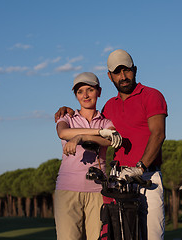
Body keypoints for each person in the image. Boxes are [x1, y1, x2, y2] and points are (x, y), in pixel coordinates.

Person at [55, 49, 168, 240]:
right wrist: (67, 110)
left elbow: (158, 134)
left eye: (127, 70)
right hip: (117, 182)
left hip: (146, 177)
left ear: (135, 70)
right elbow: (91, 124)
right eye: (117, 72)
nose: (123, 76)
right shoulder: (109, 106)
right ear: (110, 76)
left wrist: (140, 168)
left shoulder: (151, 95)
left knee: (152, 236)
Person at [55, 72, 122, 240]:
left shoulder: (106, 122)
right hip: (67, 190)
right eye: (80, 91)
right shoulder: (67, 117)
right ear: (76, 95)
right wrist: (98, 133)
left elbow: (110, 140)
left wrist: (81, 137)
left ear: (99, 92)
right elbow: (63, 133)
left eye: (90, 90)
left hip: (97, 191)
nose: (85, 95)